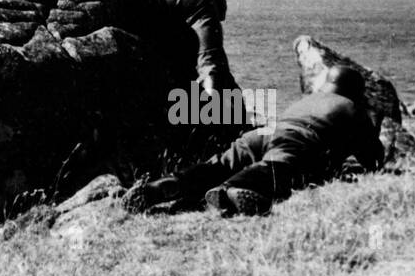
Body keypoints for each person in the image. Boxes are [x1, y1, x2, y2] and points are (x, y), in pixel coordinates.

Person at [126, 65, 386, 217]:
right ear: (354, 90)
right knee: (279, 165)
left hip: (265, 132)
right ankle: (236, 188)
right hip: (298, 137)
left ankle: (167, 184)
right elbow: (371, 155)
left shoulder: (309, 99)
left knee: (221, 163)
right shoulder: (352, 107)